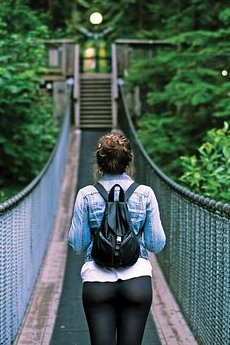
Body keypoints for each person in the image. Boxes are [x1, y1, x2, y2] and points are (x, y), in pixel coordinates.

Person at [68, 130, 166, 345]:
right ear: (129, 160)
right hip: (137, 281)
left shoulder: (86, 194)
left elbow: (77, 243)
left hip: (97, 281)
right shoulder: (145, 193)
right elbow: (156, 244)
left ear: (99, 162)